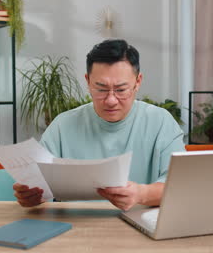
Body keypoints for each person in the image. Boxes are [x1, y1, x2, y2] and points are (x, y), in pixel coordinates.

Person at [13, 39, 185, 211]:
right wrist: (31, 195)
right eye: (101, 89)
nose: (111, 100)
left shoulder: (161, 122)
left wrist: (141, 194)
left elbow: (181, 185)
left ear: (138, 82)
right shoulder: (62, 125)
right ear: (88, 81)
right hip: (73, 228)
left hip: (140, 226)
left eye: (121, 90)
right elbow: (37, 182)